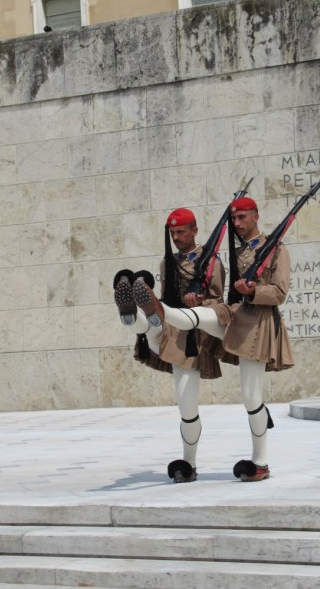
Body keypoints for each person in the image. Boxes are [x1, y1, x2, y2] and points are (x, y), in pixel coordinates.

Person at [131, 196, 294, 482]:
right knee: (186, 398)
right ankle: (144, 315)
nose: (237, 223)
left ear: (256, 216)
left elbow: (279, 293)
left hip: (258, 325)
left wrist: (253, 291)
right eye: (234, 218)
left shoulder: (277, 250)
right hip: (232, 315)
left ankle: (260, 463)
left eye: (242, 217)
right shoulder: (236, 251)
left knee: (251, 397)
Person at [113, 207, 225, 483]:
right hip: (167, 326)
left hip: (192, 338)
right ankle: (131, 316)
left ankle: (189, 463)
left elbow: (218, 301)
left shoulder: (211, 261)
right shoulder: (168, 262)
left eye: (181, 232)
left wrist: (199, 301)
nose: (176, 237)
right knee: (151, 323)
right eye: (172, 233)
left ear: (194, 231)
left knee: (187, 407)